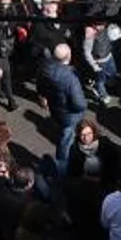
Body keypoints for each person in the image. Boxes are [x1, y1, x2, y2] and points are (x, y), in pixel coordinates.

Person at [44, 41, 90, 173]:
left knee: (62, 132)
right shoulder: (70, 78)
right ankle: (62, 166)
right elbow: (79, 103)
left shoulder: (46, 69)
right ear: (68, 56)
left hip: (55, 110)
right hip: (69, 115)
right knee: (66, 139)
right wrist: (84, 106)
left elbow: (40, 88)